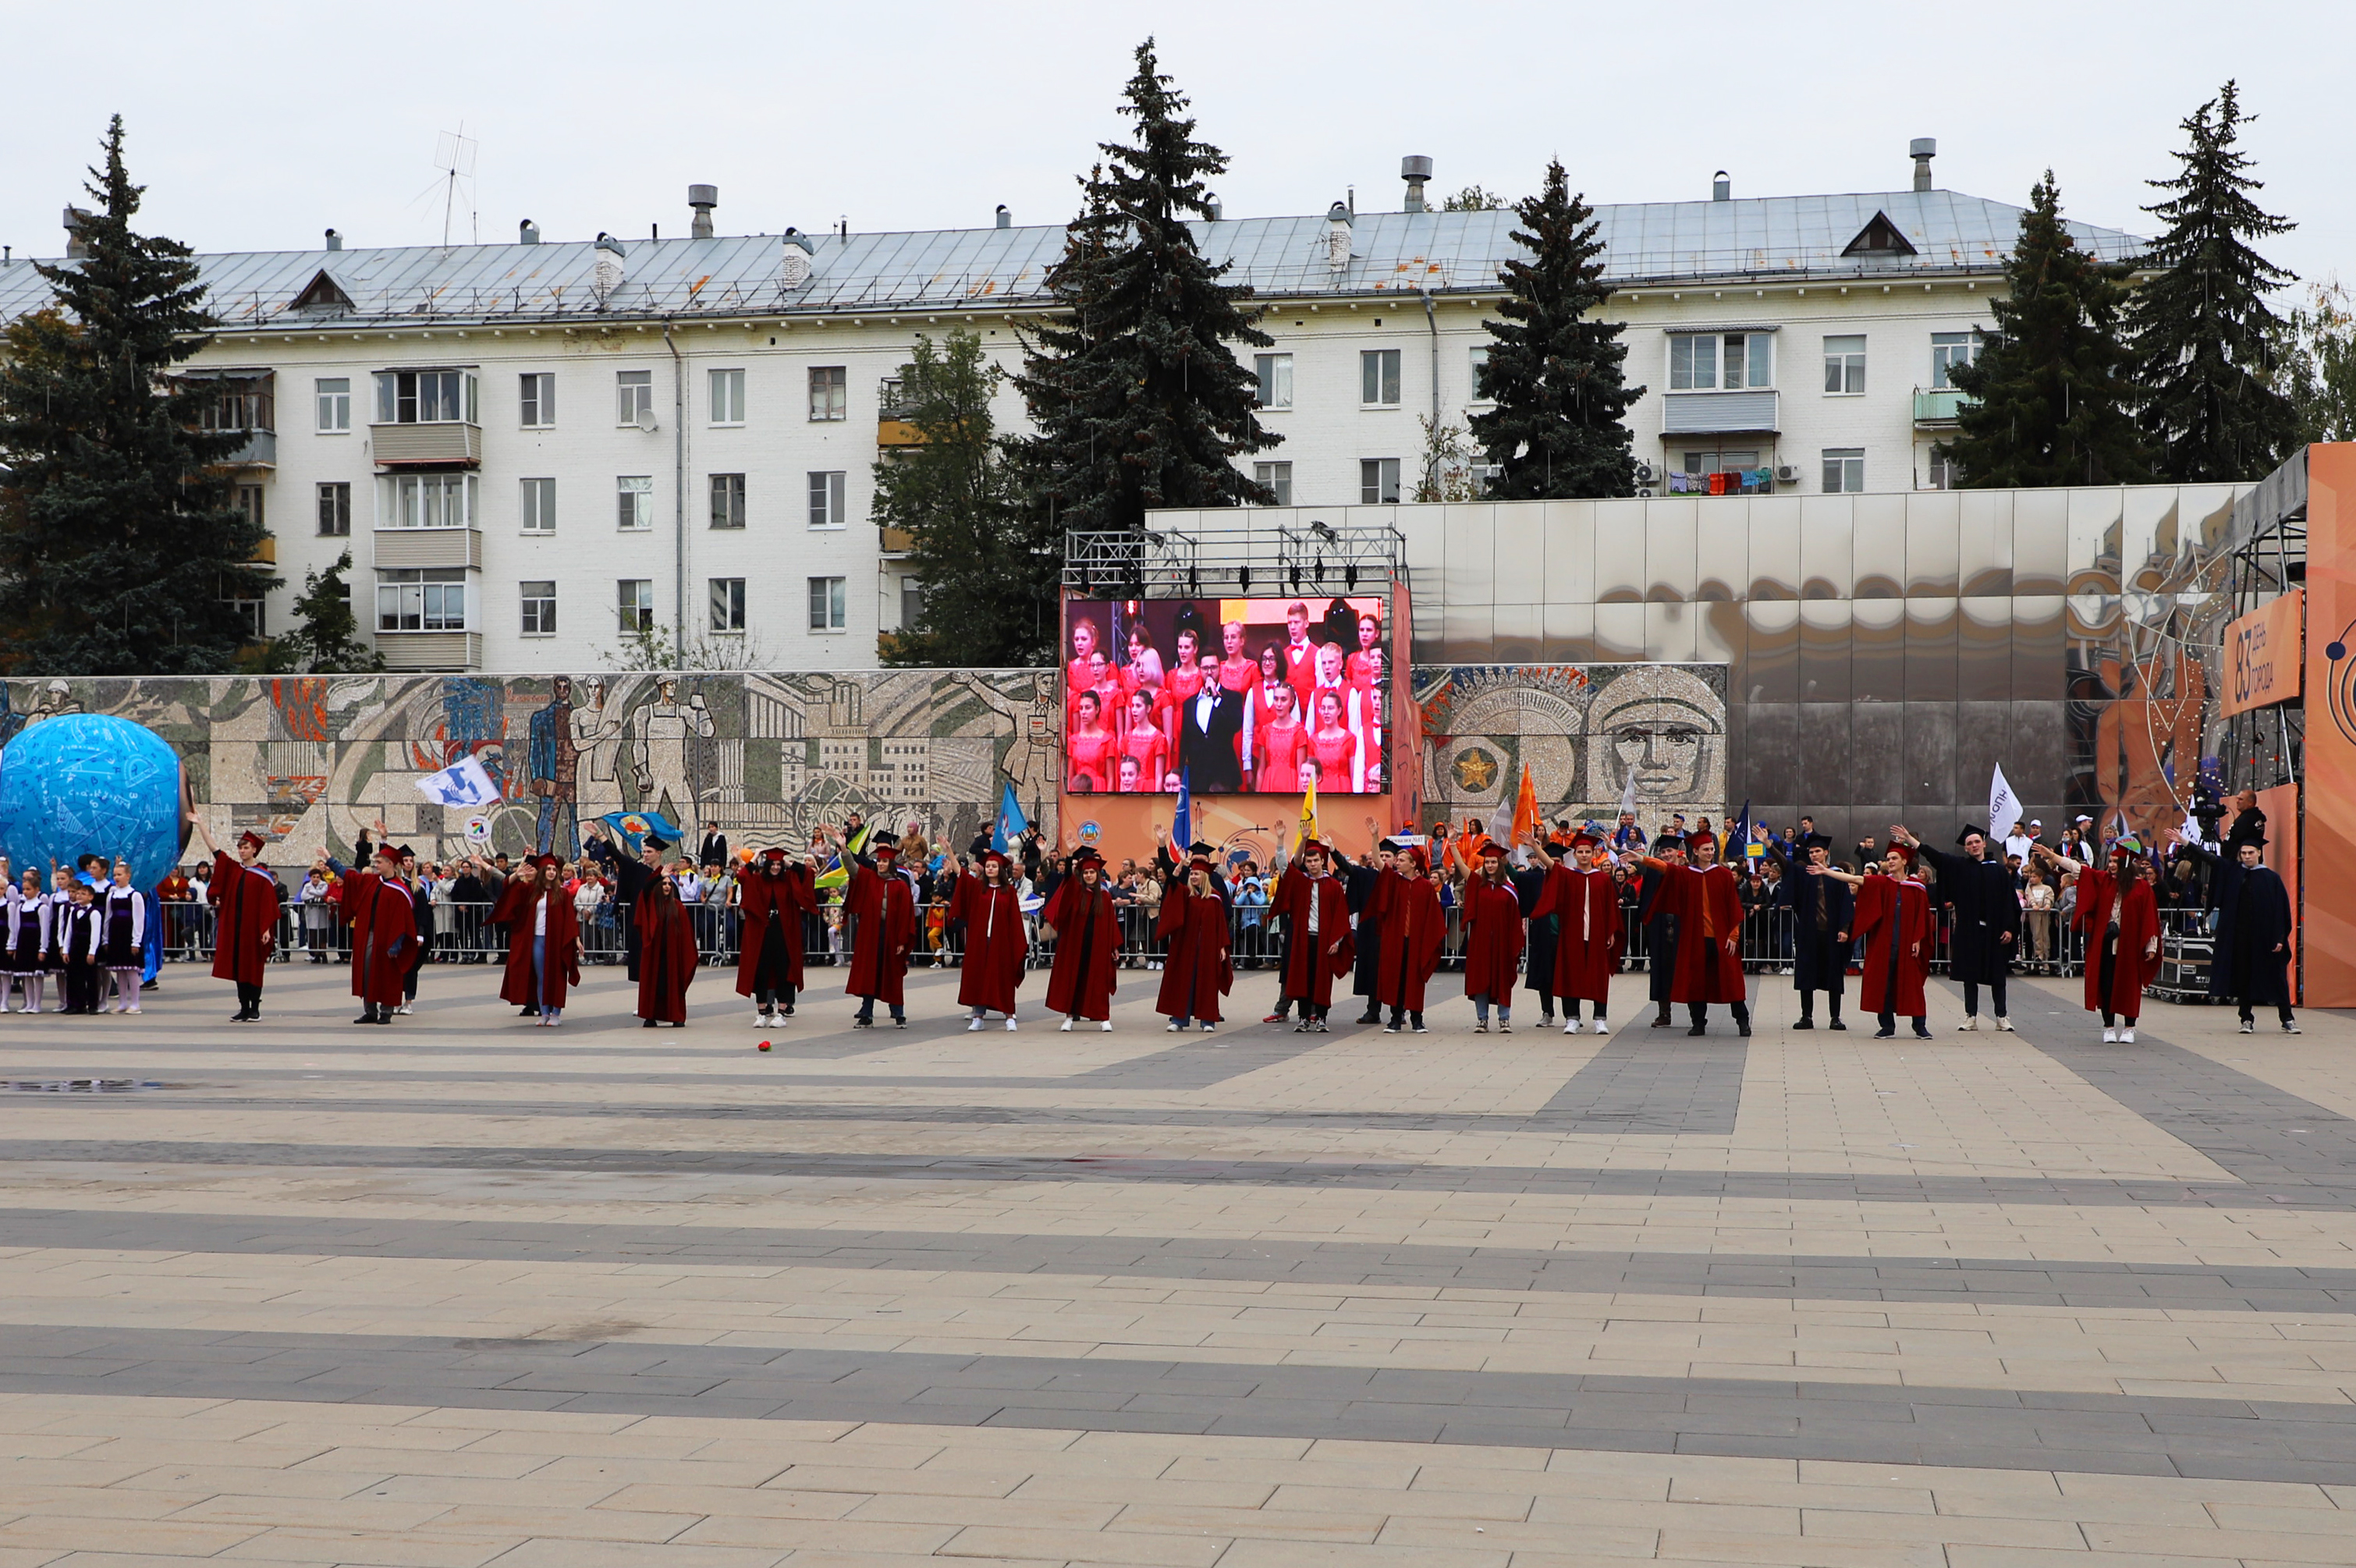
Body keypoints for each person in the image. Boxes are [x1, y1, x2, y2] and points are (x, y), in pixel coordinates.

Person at [1895, 824, 2020, 1032]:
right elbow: (1936, 857)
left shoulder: (1998, 871)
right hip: (1969, 930)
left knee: (1998, 975)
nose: (1974, 846)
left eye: (1977, 842)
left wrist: (2009, 928)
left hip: (1995, 931)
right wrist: (1911, 839)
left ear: (1984, 843)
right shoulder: (1962, 867)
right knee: (1970, 975)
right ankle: (1971, 1016)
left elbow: (2009, 902)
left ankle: (2001, 1016)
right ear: (1966, 848)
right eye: (1969, 843)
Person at [2040, 838, 2159, 1042]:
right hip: (2105, 942)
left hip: (2129, 944)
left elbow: (2150, 916)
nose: (2111, 865)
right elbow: (2078, 869)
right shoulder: (2104, 880)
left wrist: (2151, 945)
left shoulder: (2141, 888)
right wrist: (2053, 857)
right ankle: (2109, 1026)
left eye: (2115, 861)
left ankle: (2130, 1027)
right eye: (2110, 860)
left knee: (2129, 985)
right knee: (2106, 984)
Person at [1637, 831, 1751, 1037]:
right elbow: (1666, 868)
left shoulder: (1723, 875)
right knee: (1696, 981)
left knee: (1731, 980)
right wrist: (1642, 859)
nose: (1710, 852)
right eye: (1706, 849)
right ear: (1695, 852)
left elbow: (1733, 907)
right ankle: (1698, 1022)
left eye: (1712, 849)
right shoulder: (1688, 874)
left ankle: (1742, 1021)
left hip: (1722, 938)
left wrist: (1733, 935)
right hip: (1696, 938)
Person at [2189, 832, 2297, 1034]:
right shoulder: (2234, 873)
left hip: (2266, 938)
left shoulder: (2271, 878)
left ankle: (2287, 1018)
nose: (2247, 856)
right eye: (2243, 853)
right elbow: (2211, 859)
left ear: (2259, 853)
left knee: (2277, 977)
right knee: (2243, 978)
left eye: (2250, 852)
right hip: (2241, 938)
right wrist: (2186, 842)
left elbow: (2281, 910)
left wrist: (2280, 938)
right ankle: (2246, 1019)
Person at [1827, 846, 1932, 1038]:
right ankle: (1887, 1026)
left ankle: (1920, 1025)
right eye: (1888, 858)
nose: (1890, 861)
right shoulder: (1883, 883)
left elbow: (1923, 916)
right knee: (1884, 983)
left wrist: (1918, 938)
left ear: (1904, 862)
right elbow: (1856, 879)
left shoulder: (1917, 887)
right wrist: (1827, 872)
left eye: (1894, 858)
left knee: (1913, 985)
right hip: (1885, 944)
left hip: (1908, 944)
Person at [188, 813, 280, 1021]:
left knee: (253, 968)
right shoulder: (234, 869)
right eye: (240, 848)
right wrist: (200, 824)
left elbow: (268, 905)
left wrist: (266, 928)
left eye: (246, 848)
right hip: (235, 926)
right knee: (239, 967)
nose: (242, 851)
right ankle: (243, 1007)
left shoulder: (263, 876)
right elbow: (215, 849)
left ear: (254, 850)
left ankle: (255, 1008)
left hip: (254, 928)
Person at [1531, 831, 1623, 1034]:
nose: (1583, 855)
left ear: (1593, 854)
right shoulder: (1569, 876)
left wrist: (1611, 932)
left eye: (1587, 851)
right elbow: (1551, 865)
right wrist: (1535, 847)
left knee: (1598, 977)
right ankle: (1572, 1018)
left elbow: (1611, 909)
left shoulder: (1602, 880)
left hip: (1597, 934)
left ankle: (1600, 1018)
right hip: (1572, 934)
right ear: (1575, 854)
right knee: (1571, 975)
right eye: (1580, 851)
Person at [326, 829, 416, 1027]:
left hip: (387, 938)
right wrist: (329, 859)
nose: (375, 865)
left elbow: (403, 920)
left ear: (390, 864)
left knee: (386, 974)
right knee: (366, 972)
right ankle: (369, 1010)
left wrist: (397, 944)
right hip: (367, 933)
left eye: (379, 862)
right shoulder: (372, 881)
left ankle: (386, 1011)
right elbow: (348, 876)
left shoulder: (400, 890)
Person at [832, 830, 915, 1028]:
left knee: (892, 973)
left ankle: (898, 1013)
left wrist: (903, 940)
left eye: (885, 861)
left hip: (892, 934)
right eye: (879, 861)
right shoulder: (869, 878)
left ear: (891, 864)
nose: (880, 864)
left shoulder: (900, 886)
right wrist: (844, 848)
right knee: (870, 972)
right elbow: (852, 867)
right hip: (871, 933)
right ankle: (866, 1013)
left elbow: (906, 914)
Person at [1270, 838, 1353, 1032]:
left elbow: (1340, 915)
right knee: (1303, 978)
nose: (1312, 864)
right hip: (1303, 938)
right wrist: (1282, 840)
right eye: (1309, 861)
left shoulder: (1333, 885)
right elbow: (1284, 867)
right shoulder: (1300, 882)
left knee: (1322, 979)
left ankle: (1322, 1017)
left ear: (1322, 861)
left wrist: (1337, 941)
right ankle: (1304, 1017)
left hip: (1324, 940)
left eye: (1316, 860)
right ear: (1305, 863)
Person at [1774, 834, 1853, 1029]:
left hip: (1832, 934)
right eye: (1811, 852)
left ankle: (1835, 1017)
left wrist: (1844, 929)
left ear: (1826, 853)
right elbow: (1785, 865)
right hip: (1809, 933)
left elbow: (1846, 904)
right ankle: (1806, 1017)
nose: (1815, 855)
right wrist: (1769, 845)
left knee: (1834, 975)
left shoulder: (1837, 876)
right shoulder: (1804, 874)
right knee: (1806, 974)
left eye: (1818, 851)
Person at [493, 855, 583, 1026]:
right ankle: (544, 1012)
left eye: (553, 870)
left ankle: (556, 1013)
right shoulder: (533, 891)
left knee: (557, 976)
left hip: (556, 940)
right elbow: (508, 887)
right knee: (541, 976)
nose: (551, 872)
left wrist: (576, 939)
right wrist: (517, 875)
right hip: (537, 939)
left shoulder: (562, 893)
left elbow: (570, 918)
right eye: (548, 869)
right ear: (542, 872)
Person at [735, 847, 817, 1028]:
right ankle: (762, 1013)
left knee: (783, 972)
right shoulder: (758, 880)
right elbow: (742, 876)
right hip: (763, 932)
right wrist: (754, 857)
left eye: (779, 864)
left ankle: (781, 1013)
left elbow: (808, 873)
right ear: (767, 865)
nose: (776, 867)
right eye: (773, 864)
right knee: (761, 970)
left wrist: (789, 863)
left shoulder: (788, 880)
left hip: (784, 932)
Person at [1153, 853, 1233, 1032]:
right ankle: (1179, 1020)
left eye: (1197, 874)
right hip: (1185, 946)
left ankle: (1207, 1021)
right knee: (1183, 981)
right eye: (1192, 874)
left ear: (1204, 876)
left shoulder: (1215, 898)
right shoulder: (1185, 894)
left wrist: (1222, 946)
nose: (1194, 877)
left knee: (1207, 982)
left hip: (1208, 946)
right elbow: (1172, 884)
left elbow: (1221, 924)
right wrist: (1180, 864)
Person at [1042, 847, 1119, 1031]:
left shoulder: (1106, 898)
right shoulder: (1076, 893)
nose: (1089, 876)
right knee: (1073, 980)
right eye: (1086, 873)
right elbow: (1068, 878)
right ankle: (1069, 1017)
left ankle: (1103, 1018)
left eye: (1092, 872)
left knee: (1099, 982)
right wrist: (1069, 856)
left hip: (1098, 946)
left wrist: (1114, 946)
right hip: (1075, 945)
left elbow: (1111, 924)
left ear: (1098, 875)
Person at [951, 850, 1028, 1031]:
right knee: (979, 978)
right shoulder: (978, 888)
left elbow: (1015, 919)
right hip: (980, 941)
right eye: (988, 867)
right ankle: (978, 1017)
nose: (990, 869)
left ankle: (1009, 1016)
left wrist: (1016, 943)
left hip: (1001, 942)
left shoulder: (1008, 891)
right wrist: (949, 851)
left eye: (994, 866)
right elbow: (960, 873)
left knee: (1003, 979)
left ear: (1000, 869)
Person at [1369, 845, 1443, 1033]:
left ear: (1413, 864)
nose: (1397, 863)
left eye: (1401, 860)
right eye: (1397, 860)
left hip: (1417, 940)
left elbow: (1433, 916)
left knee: (1415, 979)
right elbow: (1379, 863)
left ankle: (1417, 1019)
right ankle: (1395, 1018)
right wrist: (1375, 837)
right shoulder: (1394, 881)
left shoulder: (1426, 886)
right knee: (1397, 978)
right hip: (1397, 938)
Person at [1460, 840, 1525, 1033]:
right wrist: (1454, 845)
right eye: (1487, 862)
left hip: (1503, 942)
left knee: (1502, 979)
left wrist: (1516, 941)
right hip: (1480, 942)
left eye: (1493, 862)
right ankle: (1482, 1019)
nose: (1490, 865)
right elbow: (1463, 868)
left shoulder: (1509, 889)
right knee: (1481, 979)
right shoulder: (1477, 885)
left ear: (1500, 864)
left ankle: (1504, 1019)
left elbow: (1515, 918)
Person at [633, 863, 699, 1027]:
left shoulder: (678, 907)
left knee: (673, 983)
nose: (667, 886)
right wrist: (659, 876)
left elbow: (686, 934)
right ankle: (651, 1016)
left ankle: (676, 1016)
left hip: (673, 953)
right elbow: (645, 893)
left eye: (670, 884)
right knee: (654, 983)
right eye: (664, 883)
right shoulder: (652, 905)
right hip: (655, 951)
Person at [1510, 838, 1563, 1026]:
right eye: (1551, 861)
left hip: (1564, 936)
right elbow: (1516, 878)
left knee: (1566, 976)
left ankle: (1572, 1015)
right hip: (1542, 935)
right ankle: (1547, 1012)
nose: (1554, 865)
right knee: (1545, 975)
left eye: (1557, 862)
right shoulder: (1536, 879)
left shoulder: (1570, 879)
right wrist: (1502, 859)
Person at [1636, 836, 1684, 1027]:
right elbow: (1636, 863)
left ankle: (1696, 1015)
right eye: (1663, 852)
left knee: (1685, 968)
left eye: (1669, 851)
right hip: (1658, 924)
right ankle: (1664, 1013)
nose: (1666, 855)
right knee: (1660, 968)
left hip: (1682, 923)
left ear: (1677, 853)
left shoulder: (1685, 872)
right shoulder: (1653, 871)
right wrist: (1613, 848)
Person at [1344, 840, 1393, 1025]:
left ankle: (1400, 1011)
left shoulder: (1400, 879)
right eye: (1381, 856)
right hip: (1373, 933)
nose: (1384, 859)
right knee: (1374, 972)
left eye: (1388, 856)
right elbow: (1347, 868)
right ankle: (1373, 1011)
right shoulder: (1367, 876)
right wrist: (1332, 850)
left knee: (1397, 973)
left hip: (1395, 933)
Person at [98, 860, 147, 1013]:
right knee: (119, 970)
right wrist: (106, 938)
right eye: (115, 875)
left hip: (129, 935)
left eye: (120, 875)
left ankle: (135, 1003)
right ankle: (122, 1002)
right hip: (116, 935)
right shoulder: (111, 896)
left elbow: (139, 920)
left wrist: (136, 941)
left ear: (128, 876)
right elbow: (108, 917)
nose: (117, 878)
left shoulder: (135, 895)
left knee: (131, 970)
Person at [5, 868, 54, 1013]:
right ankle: (29, 1002)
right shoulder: (21, 907)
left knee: (37, 975)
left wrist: (43, 948)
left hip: (35, 942)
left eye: (29, 889)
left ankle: (37, 1004)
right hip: (24, 942)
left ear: (37, 890)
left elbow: (45, 929)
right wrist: (14, 945)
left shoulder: (42, 907)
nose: (25, 892)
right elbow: (16, 927)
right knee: (26, 974)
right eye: (24, 889)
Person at [56, 882, 101, 1015]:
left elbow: (95, 934)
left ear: (91, 897)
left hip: (87, 947)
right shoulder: (74, 911)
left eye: (83, 894)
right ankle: (75, 1004)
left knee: (91, 977)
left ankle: (93, 1005)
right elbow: (68, 931)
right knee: (73, 977)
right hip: (75, 947)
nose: (79, 896)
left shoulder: (94, 913)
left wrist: (92, 952)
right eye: (78, 893)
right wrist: (65, 950)